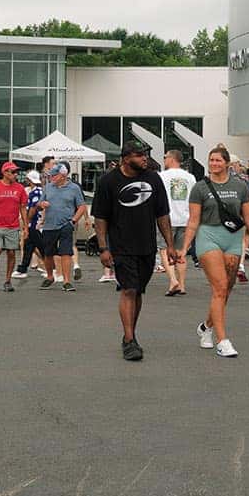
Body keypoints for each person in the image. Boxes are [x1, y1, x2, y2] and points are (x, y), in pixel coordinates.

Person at [92, 140, 177, 361]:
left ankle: (130, 334)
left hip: (146, 246)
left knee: (138, 291)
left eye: (145, 154)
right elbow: (100, 217)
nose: (144, 158)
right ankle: (129, 340)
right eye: (140, 155)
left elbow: (162, 214)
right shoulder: (108, 181)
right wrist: (103, 248)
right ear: (126, 158)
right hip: (121, 246)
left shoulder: (153, 178)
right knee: (128, 289)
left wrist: (170, 245)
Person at [183, 145, 249, 358]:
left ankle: (206, 327)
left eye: (218, 160)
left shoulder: (239, 186)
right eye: (211, 160)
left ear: (227, 164)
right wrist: (184, 248)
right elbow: (193, 220)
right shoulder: (200, 188)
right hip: (208, 236)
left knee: (226, 289)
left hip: (233, 238)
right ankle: (223, 341)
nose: (214, 164)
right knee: (220, 287)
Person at [38, 163, 86, 292]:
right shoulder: (48, 187)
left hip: (66, 224)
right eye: (51, 175)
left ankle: (66, 281)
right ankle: (50, 276)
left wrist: (74, 220)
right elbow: (39, 204)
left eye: (54, 175)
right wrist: (41, 204)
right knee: (48, 253)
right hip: (49, 225)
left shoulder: (74, 188)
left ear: (63, 175)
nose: (52, 177)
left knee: (66, 252)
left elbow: (82, 206)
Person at [0, 162, 28, 294]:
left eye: (16, 172)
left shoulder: (19, 188)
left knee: (11, 252)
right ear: (5, 173)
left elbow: (23, 208)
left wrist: (25, 226)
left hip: (13, 225)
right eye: (13, 172)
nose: (15, 175)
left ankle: (8, 280)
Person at [160, 150, 197, 296]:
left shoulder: (162, 176)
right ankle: (182, 284)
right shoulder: (190, 177)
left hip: (166, 218)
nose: (164, 160)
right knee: (181, 252)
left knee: (164, 249)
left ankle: (173, 280)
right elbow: (194, 198)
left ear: (171, 159)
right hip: (185, 218)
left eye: (165, 157)